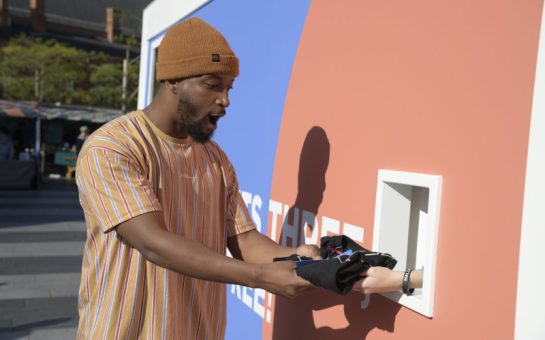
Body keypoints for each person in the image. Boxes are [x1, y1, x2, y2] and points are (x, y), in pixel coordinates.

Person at [75, 17, 421, 340]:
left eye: (229, 87)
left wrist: (297, 259)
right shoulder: (112, 148)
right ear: (173, 81)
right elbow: (151, 242)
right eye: (212, 85)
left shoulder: (215, 158)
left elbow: (244, 240)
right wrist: (260, 278)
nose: (224, 100)